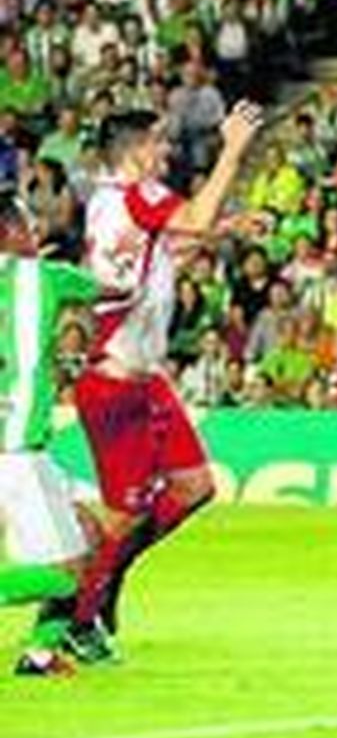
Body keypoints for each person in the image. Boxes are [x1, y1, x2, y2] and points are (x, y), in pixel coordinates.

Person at [68, 102, 263, 663]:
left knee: (194, 487)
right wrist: (232, 149)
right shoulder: (135, 193)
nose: (166, 152)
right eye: (157, 143)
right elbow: (188, 223)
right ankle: (77, 619)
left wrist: (223, 229)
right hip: (114, 381)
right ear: (134, 152)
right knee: (125, 512)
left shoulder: (110, 202)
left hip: (144, 379)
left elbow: (165, 247)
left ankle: (111, 574)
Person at [0, 196, 102, 676]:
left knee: (86, 540)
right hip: (19, 450)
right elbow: (118, 288)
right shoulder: (43, 277)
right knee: (66, 575)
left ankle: (41, 653)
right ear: (10, 231)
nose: (35, 231)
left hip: (18, 448)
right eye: (27, 223)